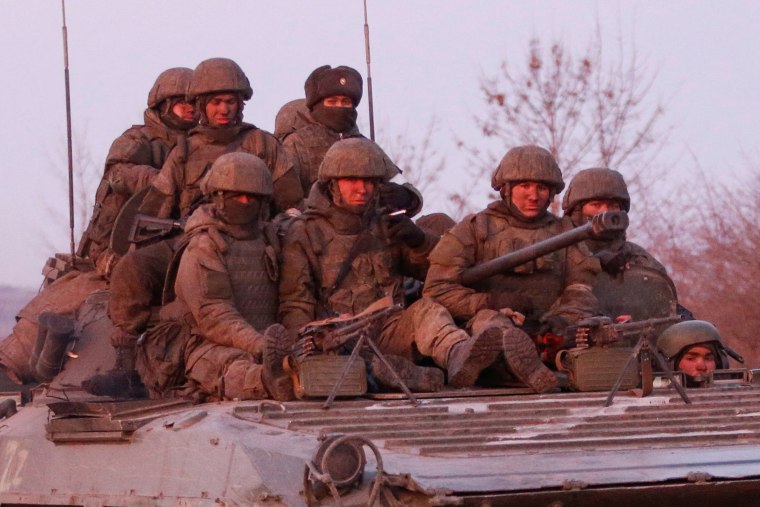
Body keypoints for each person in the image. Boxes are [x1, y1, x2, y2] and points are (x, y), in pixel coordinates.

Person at [279, 137, 496, 392]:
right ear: (333, 184)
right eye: (352, 180)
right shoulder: (305, 233)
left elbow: (437, 274)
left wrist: (420, 241)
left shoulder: (386, 225)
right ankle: (385, 373)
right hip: (340, 338)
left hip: (389, 330)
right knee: (340, 366)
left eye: (370, 181)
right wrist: (304, 347)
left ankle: (459, 356)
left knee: (426, 309)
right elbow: (295, 303)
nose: (362, 189)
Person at [423, 145, 599, 393]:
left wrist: (562, 320)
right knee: (491, 327)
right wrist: (489, 301)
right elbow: (437, 290)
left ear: (551, 193)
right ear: (506, 189)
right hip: (487, 327)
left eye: (541, 187)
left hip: (550, 333)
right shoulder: (475, 228)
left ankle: (534, 364)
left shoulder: (567, 234)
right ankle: (522, 366)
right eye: (524, 186)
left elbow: (581, 291)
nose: (534, 195)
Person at [135, 152, 294, 401]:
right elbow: (214, 315)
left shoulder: (270, 239)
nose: (245, 202)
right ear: (218, 197)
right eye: (237, 196)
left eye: (252, 197)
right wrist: (259, 345)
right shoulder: (204, 245)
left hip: (266, 344)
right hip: (204, 345)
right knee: (232, 367)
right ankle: (268, 382)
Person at [140, 57, 303, 220]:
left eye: (230, 102)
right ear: (201, 105)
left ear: (239, 104)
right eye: (216, 102)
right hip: (196, 241)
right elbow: (153, 214)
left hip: (256, 239)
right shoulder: (184, 151)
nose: (224, 110)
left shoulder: (262, 144)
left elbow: (292, 204)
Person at [78, 67, 195, 274]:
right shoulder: (139, 139)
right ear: (164, 104)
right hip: (116, 241)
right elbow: (117, 173)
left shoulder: (197, 145)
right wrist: (160, 180)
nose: (190, 108)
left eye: (195, 103)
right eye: (183, 102)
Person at [561, 167, 687, 320]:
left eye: (613, 205)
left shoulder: (638, 258)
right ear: (577, 210)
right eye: (596, 205)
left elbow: (666, 306)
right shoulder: (557, 254)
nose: (606, 212)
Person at [279, 65, 365, 195]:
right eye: (332, 102)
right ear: (317, 105)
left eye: (345, 102)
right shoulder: (297, 143)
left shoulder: (365, 145)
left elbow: (395, 178)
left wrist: (402, 192)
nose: (339, 107)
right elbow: (285, 194)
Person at [656, 320, 742, 387]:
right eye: (691, 359)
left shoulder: (736, 391)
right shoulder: (652, 396)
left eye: (708, 359)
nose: (702, 367)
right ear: (670, 364)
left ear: (721, 362)